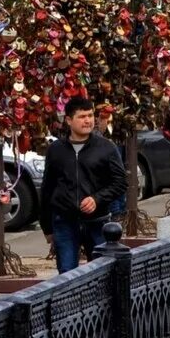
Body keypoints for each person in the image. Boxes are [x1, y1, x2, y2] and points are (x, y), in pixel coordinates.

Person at [42, 97, 124, 273]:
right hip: (65, 222)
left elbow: (120, 182)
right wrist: (47, 227)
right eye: (81, 117)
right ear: (69, 120)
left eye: (90, 115)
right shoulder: (56, 150)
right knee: (67, 273)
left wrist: (97, 199)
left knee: (103, 272)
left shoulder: (106, 147)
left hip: (98, 221)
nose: (87, 121)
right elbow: (47, 188)